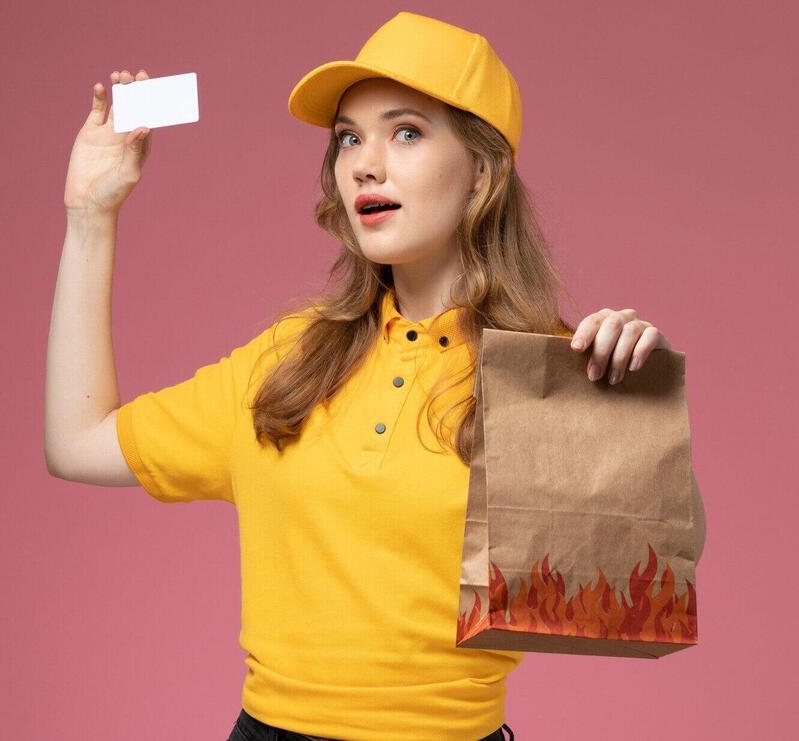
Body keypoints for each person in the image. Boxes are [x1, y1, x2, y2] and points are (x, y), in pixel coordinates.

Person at [46, 11, 675, 741]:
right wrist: (90, 216)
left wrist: (636, 401)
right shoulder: (289, 360)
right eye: (349, 138)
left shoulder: (549, 373)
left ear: (481, 170)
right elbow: (76, 441)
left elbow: (650, 581)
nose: (365, 163)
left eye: (405, 132)